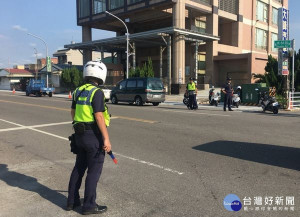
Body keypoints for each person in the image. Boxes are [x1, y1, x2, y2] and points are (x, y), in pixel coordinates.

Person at [67, 60, 111, 215]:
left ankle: (71, 201)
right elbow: (99, 116)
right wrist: (106, 138)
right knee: (93, 171)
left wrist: (77, 125)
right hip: (93, 136)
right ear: (101, 75)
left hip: (79, 135)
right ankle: (89, 206)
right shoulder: (96, 92)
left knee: (79, 167)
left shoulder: (78, 90)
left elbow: (72, 112)